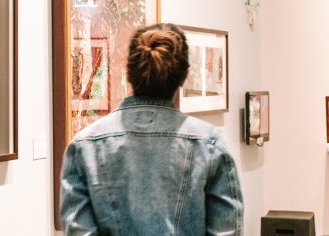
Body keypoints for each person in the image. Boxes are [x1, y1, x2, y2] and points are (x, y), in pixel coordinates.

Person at [60, 23, 243, 235]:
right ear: (184, 77)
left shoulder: (84, 145)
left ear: (128, 73)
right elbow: (227, 230)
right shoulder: (210, 144)